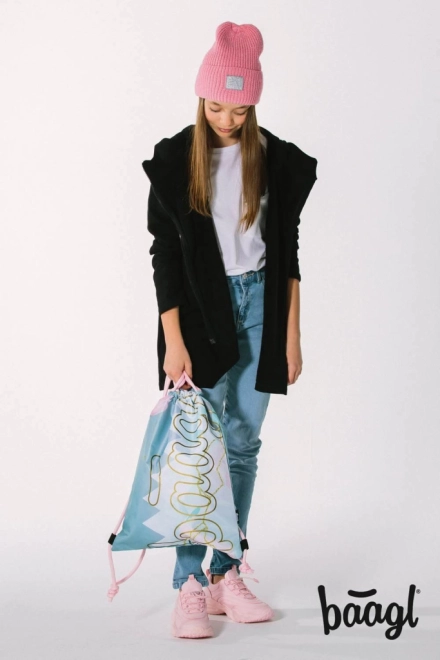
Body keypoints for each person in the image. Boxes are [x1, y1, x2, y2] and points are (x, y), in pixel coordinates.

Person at [142, 21, 318, 639]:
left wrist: (292, 336)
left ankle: (226, 573)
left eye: (239, 109)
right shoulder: (175, 161)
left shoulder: (275, 161)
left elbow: (288, 255)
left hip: (261, 308)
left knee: (241, 445)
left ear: (254, 105)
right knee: (198, 451)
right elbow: (165, 256)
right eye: (216, 106)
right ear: (201, 98)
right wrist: (173, 340)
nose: (226, 118)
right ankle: (189, 585)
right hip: (200, 316)